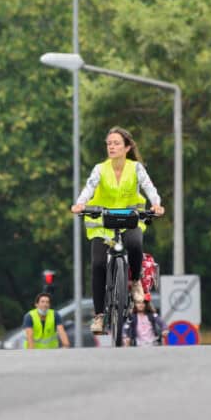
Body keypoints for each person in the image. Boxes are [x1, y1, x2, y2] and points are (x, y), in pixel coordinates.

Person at [70, 126, 164, 334]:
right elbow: (89, 187)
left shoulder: (136, 168)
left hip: (130, 220)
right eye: (109, 143)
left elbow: (149, 188)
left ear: (127, 147)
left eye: (116, 143)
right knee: (98, 264)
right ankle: (99, 316)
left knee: (135, 243)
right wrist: (80, 204)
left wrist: (156, 205)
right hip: (102, 223)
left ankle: (136, 281)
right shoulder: (100, 169)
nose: (111, 147)